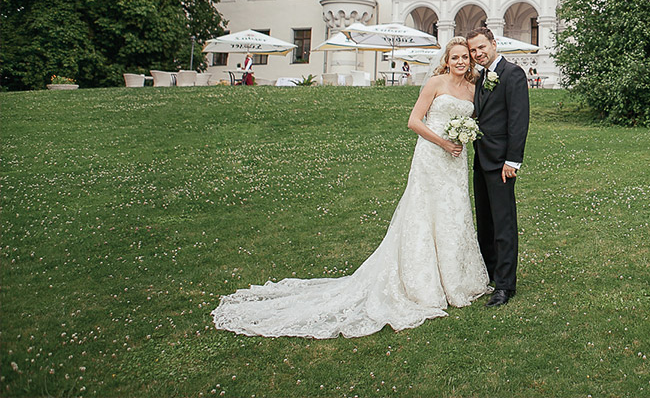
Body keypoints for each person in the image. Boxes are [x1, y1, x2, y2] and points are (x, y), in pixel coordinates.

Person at [211, 37, 490, 337]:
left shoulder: (473, 88)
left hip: (455, 161)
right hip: (432, 156)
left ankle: (456, 280)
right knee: (424, 215)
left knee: (453, 215)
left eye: (465, 57)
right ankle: (425, 284)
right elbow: (413, 121)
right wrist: (443, 142)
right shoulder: (436, 83)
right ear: (446, 60)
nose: (461, 62)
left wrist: (462, 137)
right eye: (455, 57)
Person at [466, 27, 529, 307]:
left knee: (503, 225)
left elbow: (518, 120)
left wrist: (512, 161)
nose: (478, 54)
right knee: (486, 223)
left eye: (481, 47)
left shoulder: (513, 73)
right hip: (481, 160)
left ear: (494, 44)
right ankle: (490, 274)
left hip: (502, 163)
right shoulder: (479, 78)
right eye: (473, 51)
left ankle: (505, 285)